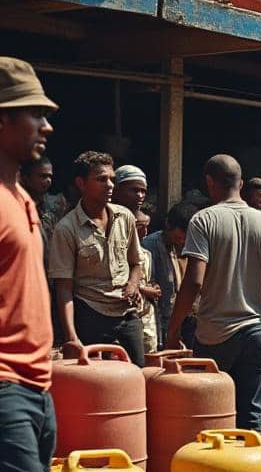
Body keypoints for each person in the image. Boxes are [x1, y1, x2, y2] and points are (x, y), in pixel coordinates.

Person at [0, 58, 122, 472]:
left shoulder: (23, 196)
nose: (46, 124)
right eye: (32, 113)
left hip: (35, 384)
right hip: (3, 390)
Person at [165, 155, 261, 432]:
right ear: (241, 184)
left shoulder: (203, 220)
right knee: (253, 415)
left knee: (213, 414)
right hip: (257, 332)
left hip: (214, 335)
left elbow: (194, 282)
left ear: (210, 183)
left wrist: (174, 329)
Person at [48, 150, 147, 365]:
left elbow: (136, 262)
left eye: (112, 179)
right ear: (81, 184)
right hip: (91, 314)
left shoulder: (125, 217)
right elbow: (63, 287)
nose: (110, 184)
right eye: (101, 179)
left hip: (127, 312)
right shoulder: (67, 229)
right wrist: (71, 336)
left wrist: (133, 283)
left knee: (138, 375)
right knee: (95, 382)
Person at [141, 202, 197, 350]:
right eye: (180, 236)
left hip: (178, 318)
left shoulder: (183, 247)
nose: (183, 241)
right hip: (157, 319)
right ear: (168, 224)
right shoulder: (150, 246)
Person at [132, 210, 159, 354]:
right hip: (130, 309)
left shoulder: (147, 254)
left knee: (149, 348)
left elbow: (149, 278)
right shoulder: (123, 252)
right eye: (140, 227)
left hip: (146, 311)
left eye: (146, 227)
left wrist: (153, 287)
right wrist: (143, 289)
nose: (145, 231)